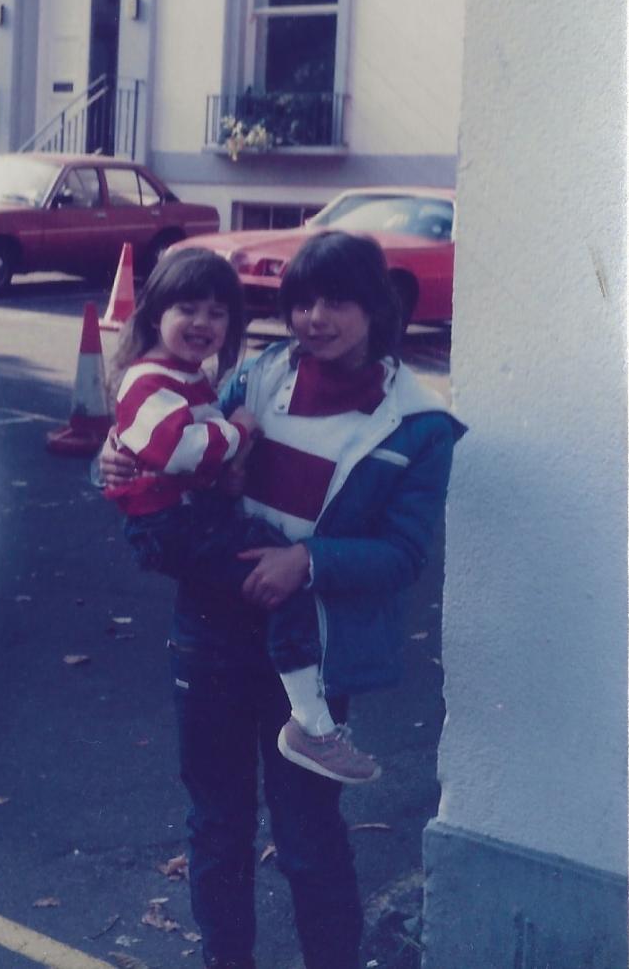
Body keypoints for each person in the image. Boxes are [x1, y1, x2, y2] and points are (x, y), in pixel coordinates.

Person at [101, 231, 465, 969]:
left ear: (377, 308)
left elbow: (403, 555)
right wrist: (108, 459)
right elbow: (172, 451)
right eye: (301, 301)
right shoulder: (262, 374)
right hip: (212, 630)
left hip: (310, 648)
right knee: (217, 826)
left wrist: (308, 559)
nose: (314, 318)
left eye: (336, 300)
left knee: (306, 837)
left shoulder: (418, 426)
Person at [107, 246, 380, 783]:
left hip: (185, 516)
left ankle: (310, 721)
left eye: (217, 312)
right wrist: (239, 432)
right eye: (188, 308)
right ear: (156, 311)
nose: (203, 323)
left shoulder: (189, 377)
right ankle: (312, 724)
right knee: (281, 573)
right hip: (174, 526)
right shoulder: (153, 378)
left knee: (279, 563)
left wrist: (225, 465)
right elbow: (176, 448)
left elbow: (180, 451)